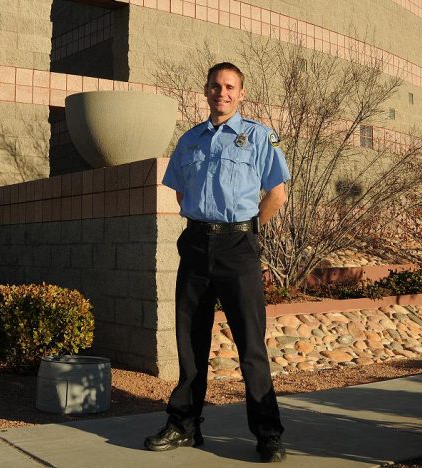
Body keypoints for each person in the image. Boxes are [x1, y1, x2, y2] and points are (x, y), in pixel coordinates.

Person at [144, 62, 290, 463]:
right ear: (205, 90)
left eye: (230, 87)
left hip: (238, 245)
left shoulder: (259, 137)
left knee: (250, 346)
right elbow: (180, 194)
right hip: (195, 245)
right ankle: (183, 426)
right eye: (215, 86)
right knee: (190, 342)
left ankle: (268, 433)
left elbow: (277, 193)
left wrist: (247, 232)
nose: (221, 93)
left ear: (241, 93)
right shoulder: (190, 140)